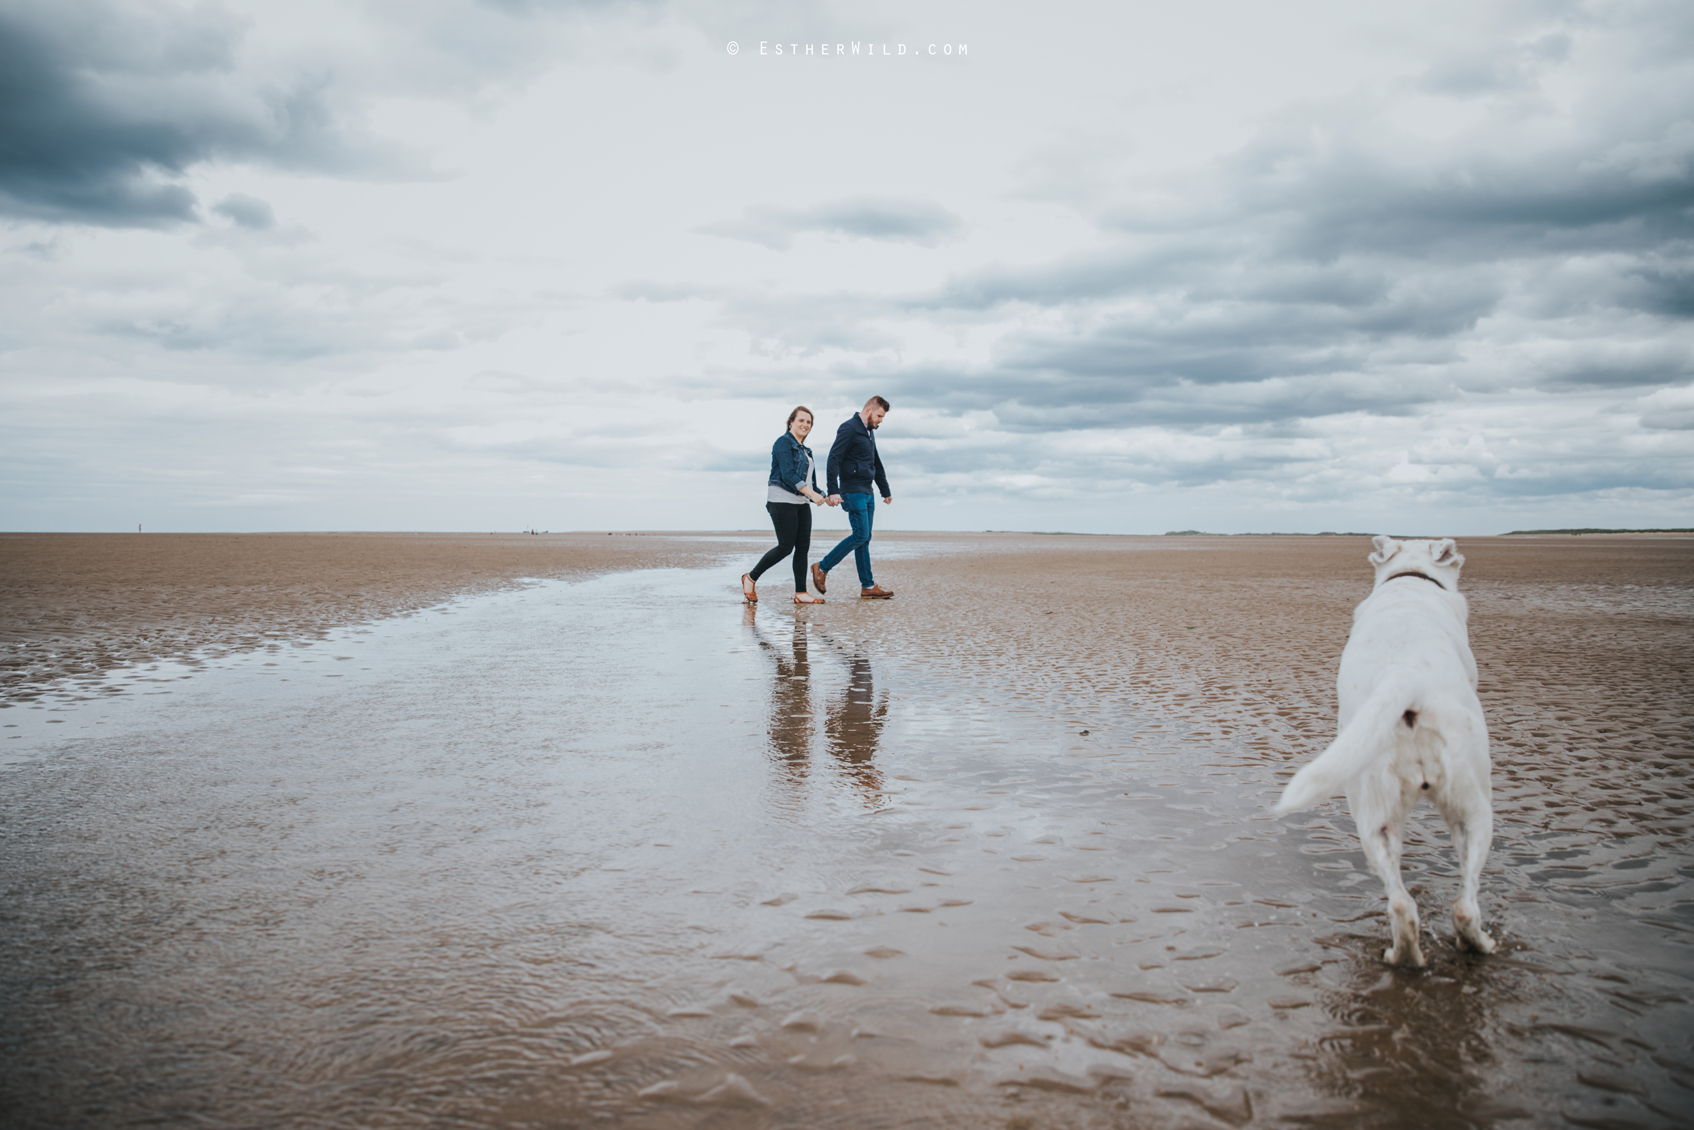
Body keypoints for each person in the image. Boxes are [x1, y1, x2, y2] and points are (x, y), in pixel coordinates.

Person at [742, 406, 831, 605]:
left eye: (809, 422)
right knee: (785, 547)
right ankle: (750, 578)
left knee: (802, 548)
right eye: (801, 420)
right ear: (791, 422)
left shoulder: (807, 451)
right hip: (781, 500)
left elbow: (812, 485)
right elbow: (788, 475)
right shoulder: (782, 443)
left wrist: (825, 496)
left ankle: (801, 593)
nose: (805, 425)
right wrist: (812, 495)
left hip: (801, 502)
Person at [813, 396, 894, 600]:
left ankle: (867, 586)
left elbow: (876, 461)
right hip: (852, 491)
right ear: (868, 410)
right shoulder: (849, 428)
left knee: (864, 538)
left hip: (867, 492)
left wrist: (885, 489)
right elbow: (834, 458)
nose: (881, 421)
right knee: (860, 535)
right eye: (879, 416)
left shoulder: (868, 432)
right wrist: (833, 490)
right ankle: (821, 567)